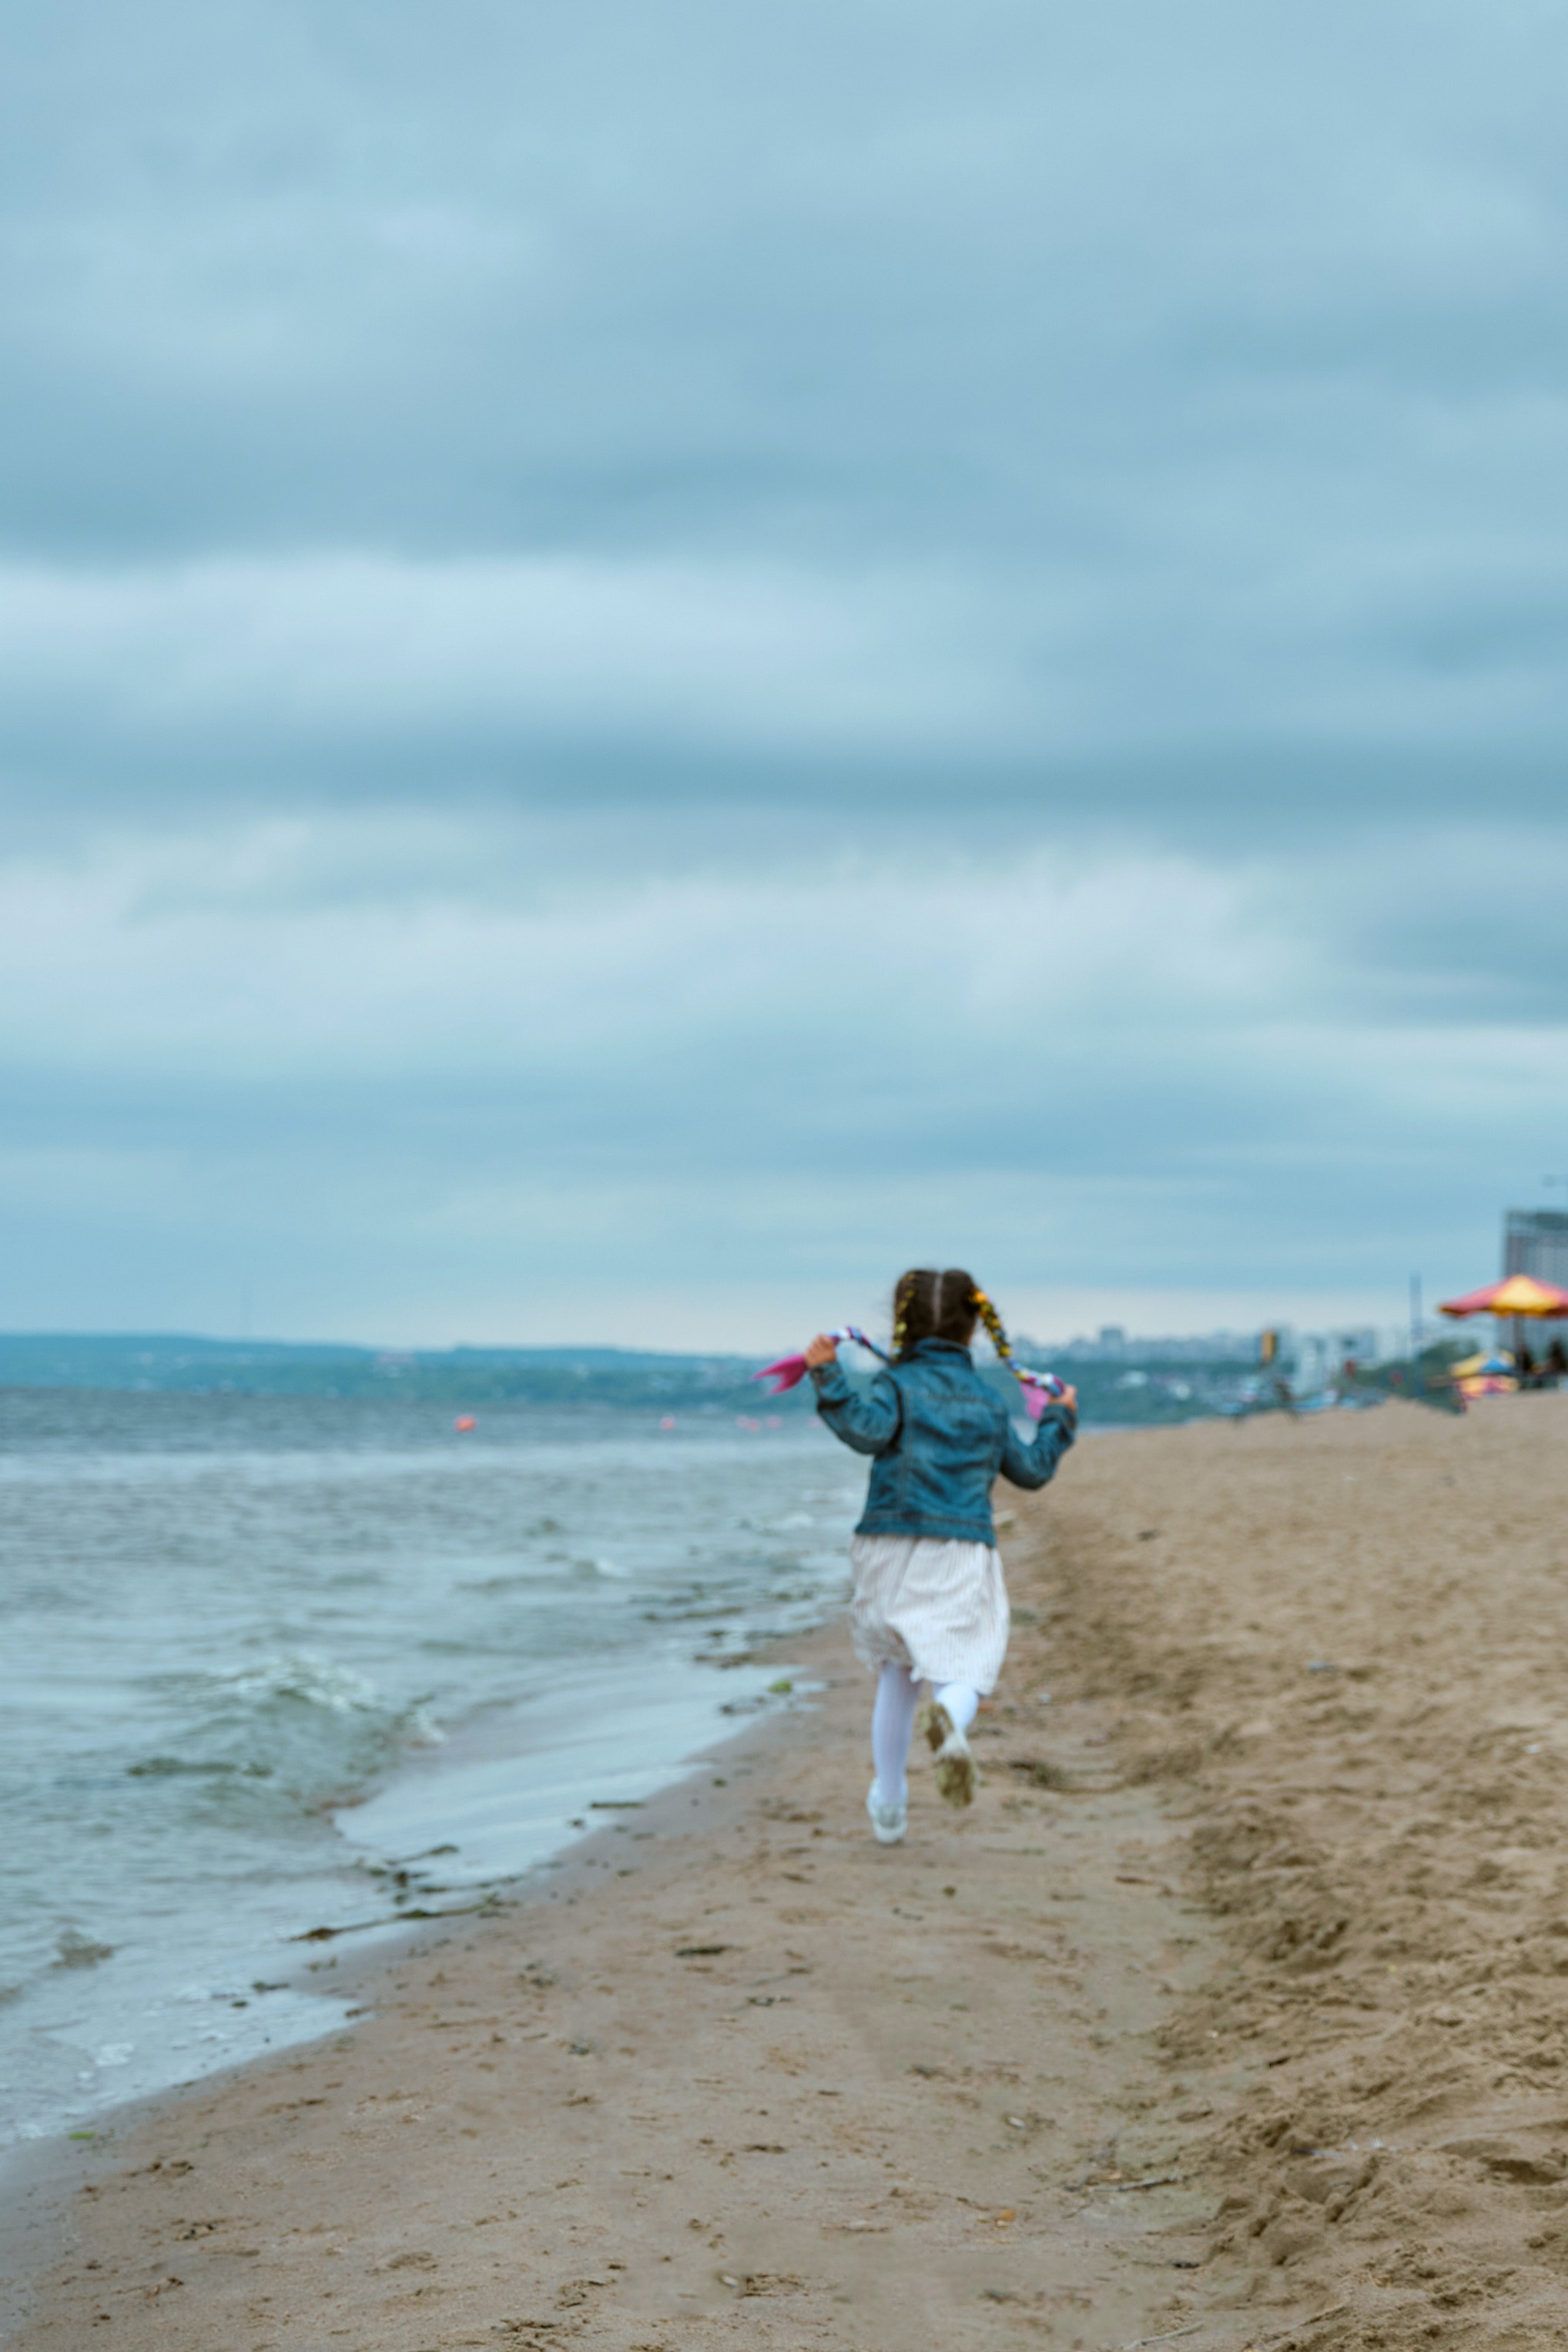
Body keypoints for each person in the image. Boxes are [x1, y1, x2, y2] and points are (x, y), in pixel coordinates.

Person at [804, 1267, 1077, 1846]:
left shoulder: (896, 1385)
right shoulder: (987, 1401)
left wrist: (827, 1373)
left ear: (901, 1322)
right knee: (966, 1665)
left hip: (887, 1543)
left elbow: (866, 1432)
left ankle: (890, 1803)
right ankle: (949, 1717)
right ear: (972, 1327)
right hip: (959, 1546)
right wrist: (1059, 1419)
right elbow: (1030, 1470)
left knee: (897, 1672)